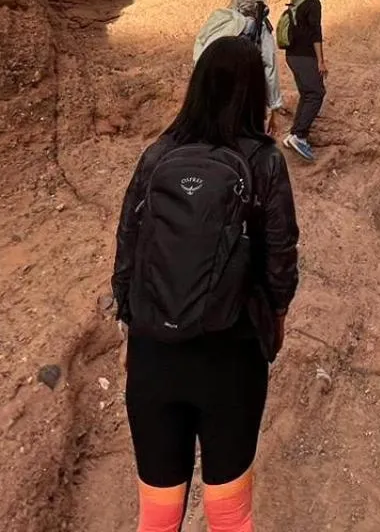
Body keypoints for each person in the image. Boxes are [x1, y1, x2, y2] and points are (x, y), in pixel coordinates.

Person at [112, 36, 300, 532]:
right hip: (230, 354)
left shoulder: (157, 154)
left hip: (154, 353)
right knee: (229, 516)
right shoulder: (264, 160)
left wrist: (132, 328)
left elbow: (128, 246)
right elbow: (280, 254)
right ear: (254, 93)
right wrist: (276, 317)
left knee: (157, 515)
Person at [193, 0, 287, 134]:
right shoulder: (259, 27)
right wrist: (274, 105)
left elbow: (200, 48)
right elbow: (269, 65)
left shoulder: (220, 18)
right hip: (242, 93)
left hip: (210, 88)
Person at [279, 0, 335, 162]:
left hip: (292, 55)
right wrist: (321, 61)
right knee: (317, 93)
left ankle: (294, 135)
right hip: (304, 55)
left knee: (307, 93)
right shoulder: (313, 3)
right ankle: (299, 136)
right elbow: (315, 33)